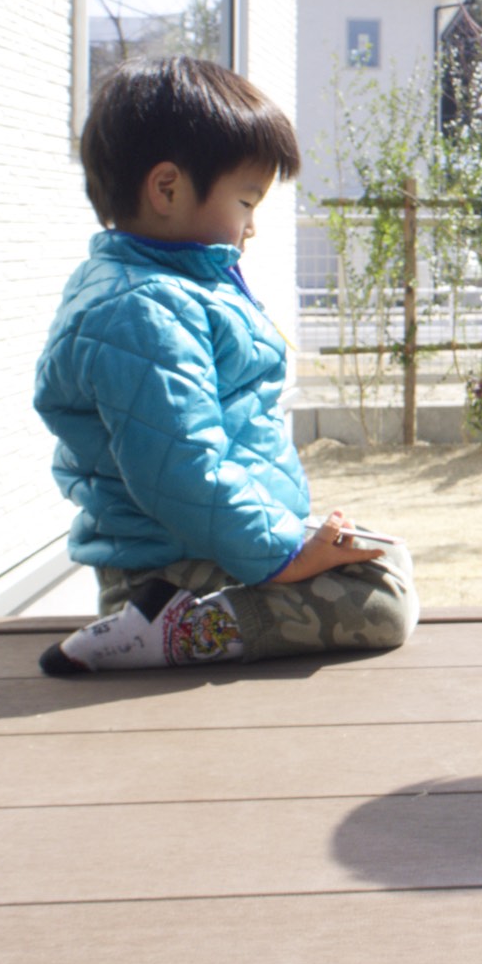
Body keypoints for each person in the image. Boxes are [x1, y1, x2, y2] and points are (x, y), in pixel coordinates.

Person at [34, 56, 417, 676]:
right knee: (381, 604)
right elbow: (182, 469)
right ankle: (170, 628)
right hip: (165, 564)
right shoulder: (142, 310)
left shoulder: (167, 287)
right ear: (167, 189)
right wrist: (284, 554)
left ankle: (168, 621)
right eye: (246, 201)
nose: (253, 227)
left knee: (382, 558)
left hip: (202, 542)